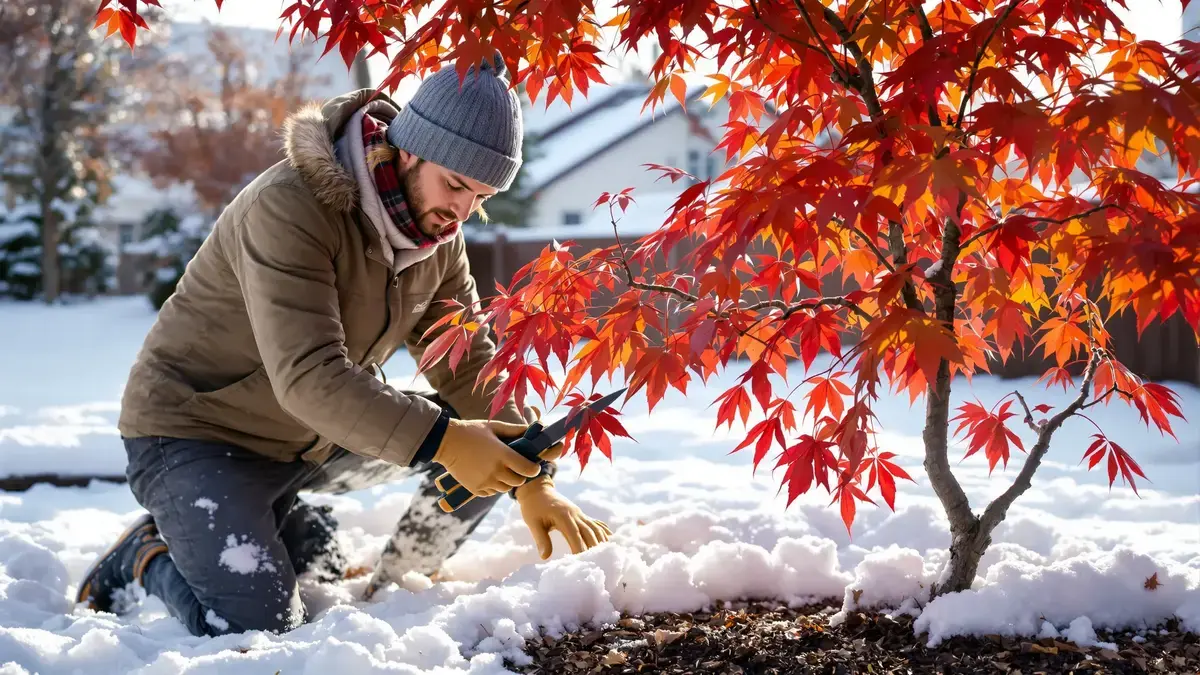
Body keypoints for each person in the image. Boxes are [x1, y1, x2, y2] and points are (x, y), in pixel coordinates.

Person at [76, 53, 612, 637]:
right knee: (257, 629)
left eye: (478, 198)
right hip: (196, 434)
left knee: (488, 443)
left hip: (306, 438)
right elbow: (309, 375)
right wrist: (446, 441)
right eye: (455, 185)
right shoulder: (290, 207)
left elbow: (467, 363)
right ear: (409, 150)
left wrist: (532, 476)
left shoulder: (437, 236)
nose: (461, 212)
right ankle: (146, 555)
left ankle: (393, 589)